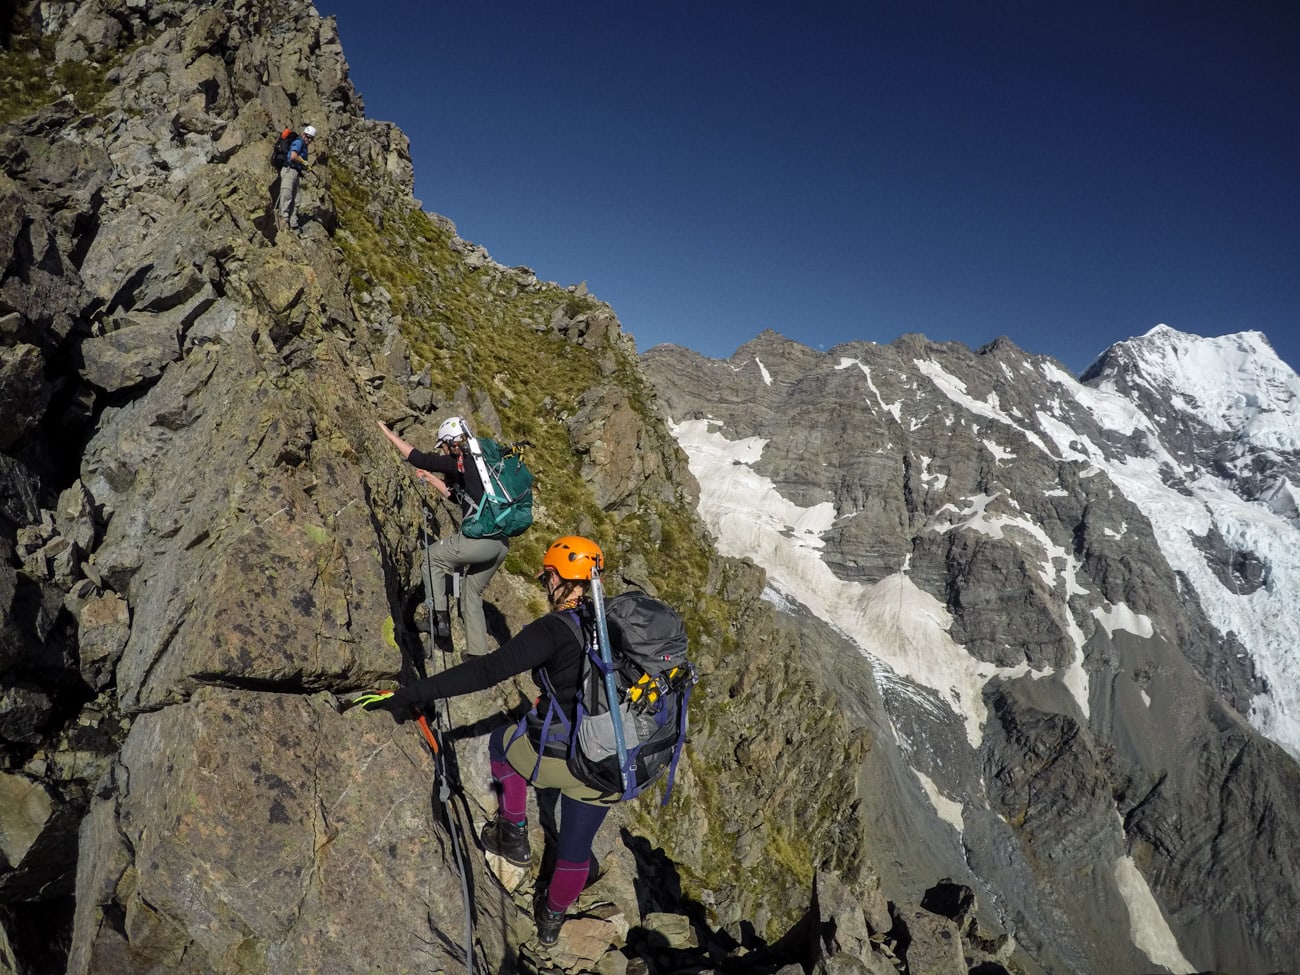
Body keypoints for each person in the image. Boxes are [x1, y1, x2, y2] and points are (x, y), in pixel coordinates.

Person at [364, 536, 618, 947]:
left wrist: (412, 693)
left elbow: (487, 672)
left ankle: (513, 834)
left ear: (559, 578)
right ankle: (552, 923)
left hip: (571, 756)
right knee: (576, 850)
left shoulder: (554, 630)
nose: (545, 585)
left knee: (502, 743)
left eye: (548, 576)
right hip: (616, 761)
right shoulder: (619, 625)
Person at [379, 416, 509, 657]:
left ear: (452, 442)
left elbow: (419, 458)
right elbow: (454, 496)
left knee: (432, 558)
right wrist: (430, 479)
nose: (445, 451)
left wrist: (389, 436)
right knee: (471, 592)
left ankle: (440, 623)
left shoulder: (462, 459)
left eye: (445, 446)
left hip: (479, 541)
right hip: (500, 544)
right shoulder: (483, 466)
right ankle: (478, 654)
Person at [277, 124, 316, 231]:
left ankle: (293, 223)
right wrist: (304, 162)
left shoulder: (304, 146)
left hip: (296, 172)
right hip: (289, 170)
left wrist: (304, 166)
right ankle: (284, 220)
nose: (308, 139)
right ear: (304, 134)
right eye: (307, 136)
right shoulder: (299, 142)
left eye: (310, 138)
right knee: (287, 194)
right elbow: (293, 156)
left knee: (297, 200)